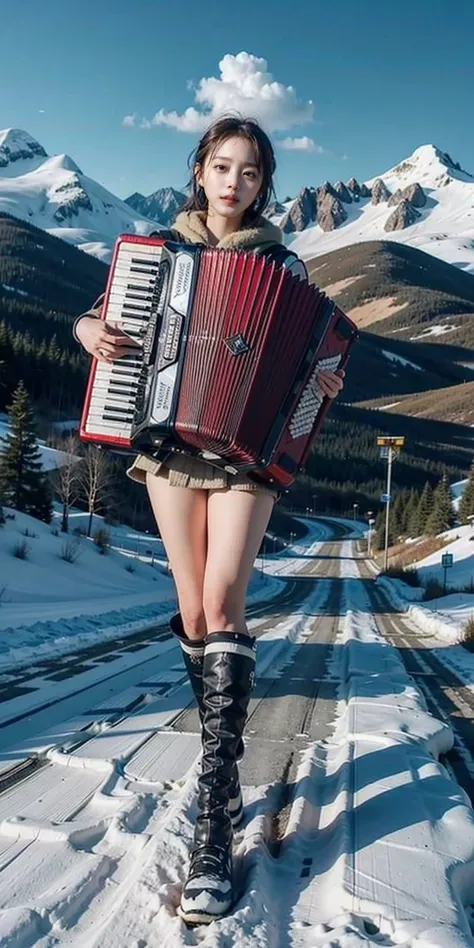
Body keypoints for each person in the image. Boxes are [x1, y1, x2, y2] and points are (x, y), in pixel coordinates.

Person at [73, 114, 344, 925]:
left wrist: (322, 382)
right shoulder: (155, 253)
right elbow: (96, 319)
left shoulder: (283, 265)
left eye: (250, 171)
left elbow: (315, 361)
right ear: (199, 169)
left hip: (247, 456)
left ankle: (213, 823)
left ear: (264, 184)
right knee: (192, 611)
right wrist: (90, 332)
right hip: (166, 440)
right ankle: (221, 764)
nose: (234, 181)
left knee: (224, 606)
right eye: (222, 166)